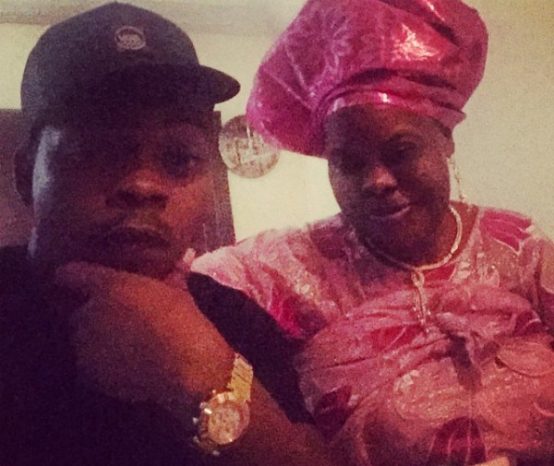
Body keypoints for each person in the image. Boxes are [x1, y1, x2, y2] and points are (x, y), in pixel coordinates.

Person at [191, 0, 554, 465]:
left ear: (444, 139)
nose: (376, 180)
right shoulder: (289, 266)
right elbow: (177, 294)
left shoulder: (519, 245)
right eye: (348, 163)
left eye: (400, 151)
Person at [0, 3, 341, 465]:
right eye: (97, 151)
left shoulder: (235, 319)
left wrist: (202, 373)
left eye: (179, 158)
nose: (144, 185)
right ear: (25, 175)